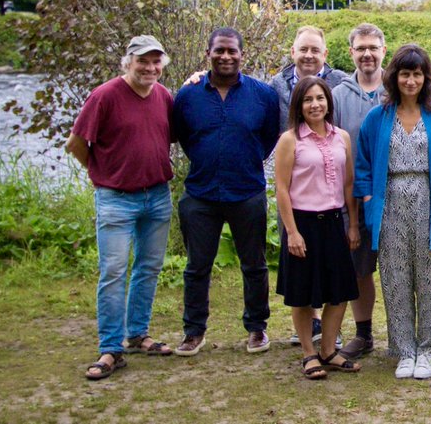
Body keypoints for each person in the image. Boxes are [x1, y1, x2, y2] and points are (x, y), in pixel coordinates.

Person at [357, 45, 431, 380]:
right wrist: (366, 202)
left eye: (417, 73)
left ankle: (426, 349)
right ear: (395, 77)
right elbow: (362, 164)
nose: (410, 80)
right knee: (395, 277)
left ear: (426, 78)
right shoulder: (378, 117)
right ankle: (404, 350)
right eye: (405, 73)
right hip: (389, 202)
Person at [67, 36, 175, 380]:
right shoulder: (105, 96)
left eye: (156, 61)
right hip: (116, 199)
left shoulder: (163, 96)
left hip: (157, 195)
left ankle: (137, 334)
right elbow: (76, 143)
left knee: (148, 267)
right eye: (143, 61)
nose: (150, 67)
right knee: (113, 272)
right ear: (127, 61)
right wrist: (100, 174)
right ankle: (110, 348)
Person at [172, 27, 281, 357]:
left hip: (247, 191)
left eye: (232, 51)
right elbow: (183, 136)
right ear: (208, 54)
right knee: (196, 267)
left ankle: (257, 328)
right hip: (201, 193)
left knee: (254, 265)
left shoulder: (262, 95)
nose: (225, 56)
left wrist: (244, 159)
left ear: (241, 55)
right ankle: (194, 332)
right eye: (219, 50)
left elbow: (269, 137)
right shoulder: (188, 95)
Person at [274, 77, 361, 380]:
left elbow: (348, 184)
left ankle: (328, 350)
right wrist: (292, 232)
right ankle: (309, 353)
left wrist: (352, 225)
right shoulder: (290, 140)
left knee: (339, 292)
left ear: (328, 102)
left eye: (320, 98)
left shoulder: (342, 138)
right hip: (303, 223)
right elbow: (282, 189)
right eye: (308, 99)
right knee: (302, 294)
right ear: (299, 105)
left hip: (334, 222)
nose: (315, 105)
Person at [330, 23, 386, 359]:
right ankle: (363, 333)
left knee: (399, 268)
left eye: (373, 47)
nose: (367, 54)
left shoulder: (396, 90)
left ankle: (408, 330)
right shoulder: (336, 95)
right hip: (351, 198)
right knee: (358, 268)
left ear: (383, 50)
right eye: (360, 48)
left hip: (393, 196)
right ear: (351, 52)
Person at [270, 25, 349, 123]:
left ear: (325, 54)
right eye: (303, 49)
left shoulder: (341, 82)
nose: (308, 55)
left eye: (315, 50)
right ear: (293, 52)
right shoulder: (276, 85)